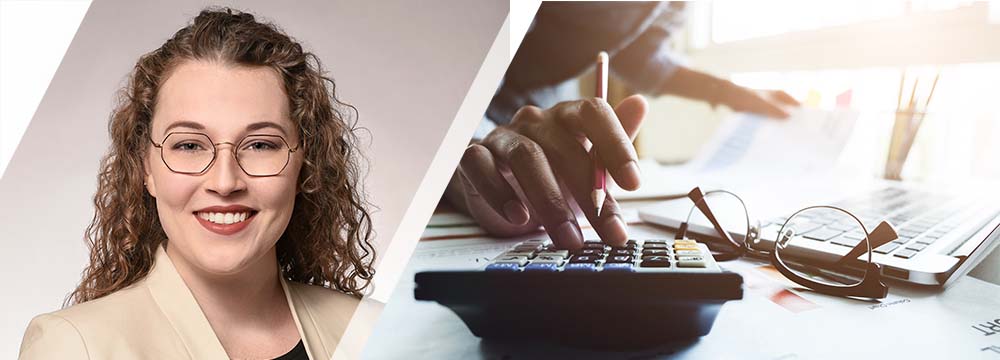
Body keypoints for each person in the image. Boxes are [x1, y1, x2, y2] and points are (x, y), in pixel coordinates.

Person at [18, 8, 375, 360]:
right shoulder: (75, 347)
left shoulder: (376, 333)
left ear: (305, 167)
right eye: (189, 145)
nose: (225, 182)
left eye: (260, 145)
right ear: (146, 167)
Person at [446, 2, 799, 251]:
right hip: (465, 102)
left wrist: (728, 92)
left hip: (537, 121)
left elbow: (642, 58)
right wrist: (469, 147)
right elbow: (460, 62)